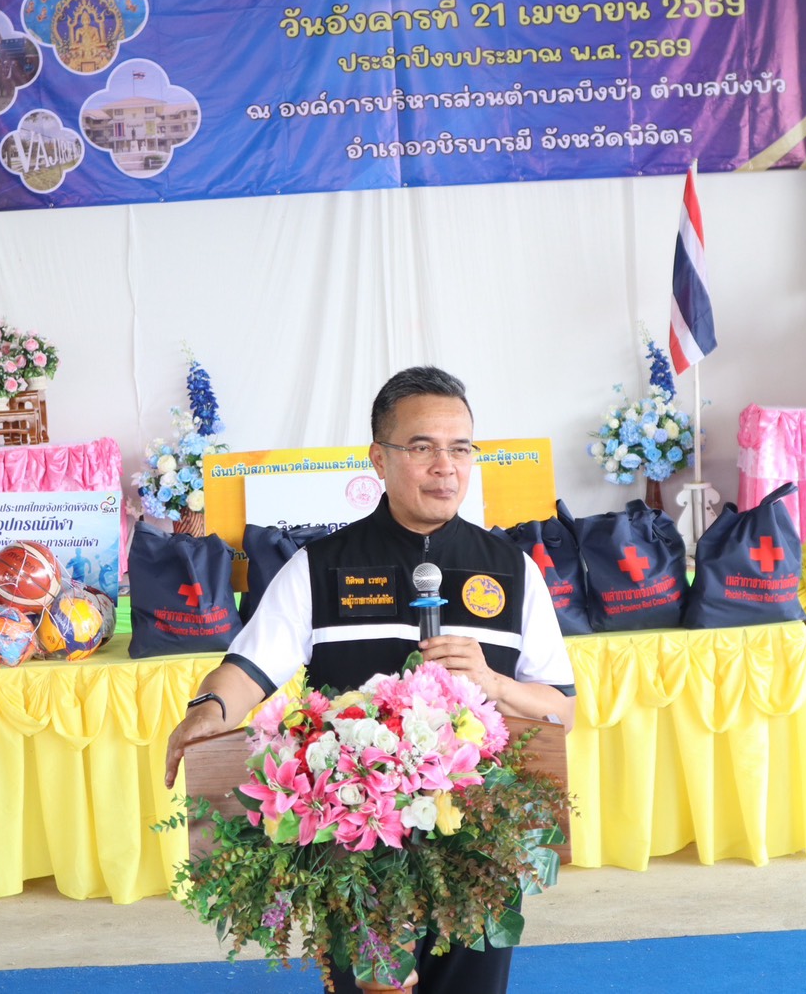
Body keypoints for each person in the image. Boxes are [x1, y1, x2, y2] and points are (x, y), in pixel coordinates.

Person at [164, 365, 575, 994]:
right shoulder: (320, 567)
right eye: (422, 448)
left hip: (477, 845)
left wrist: (495, 684)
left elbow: (561, 710)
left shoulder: (513, 571)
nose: (445, 467)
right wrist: (208, 711)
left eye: (460, 448)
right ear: (378, 459)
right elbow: (248, 670)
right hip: (356, 848)